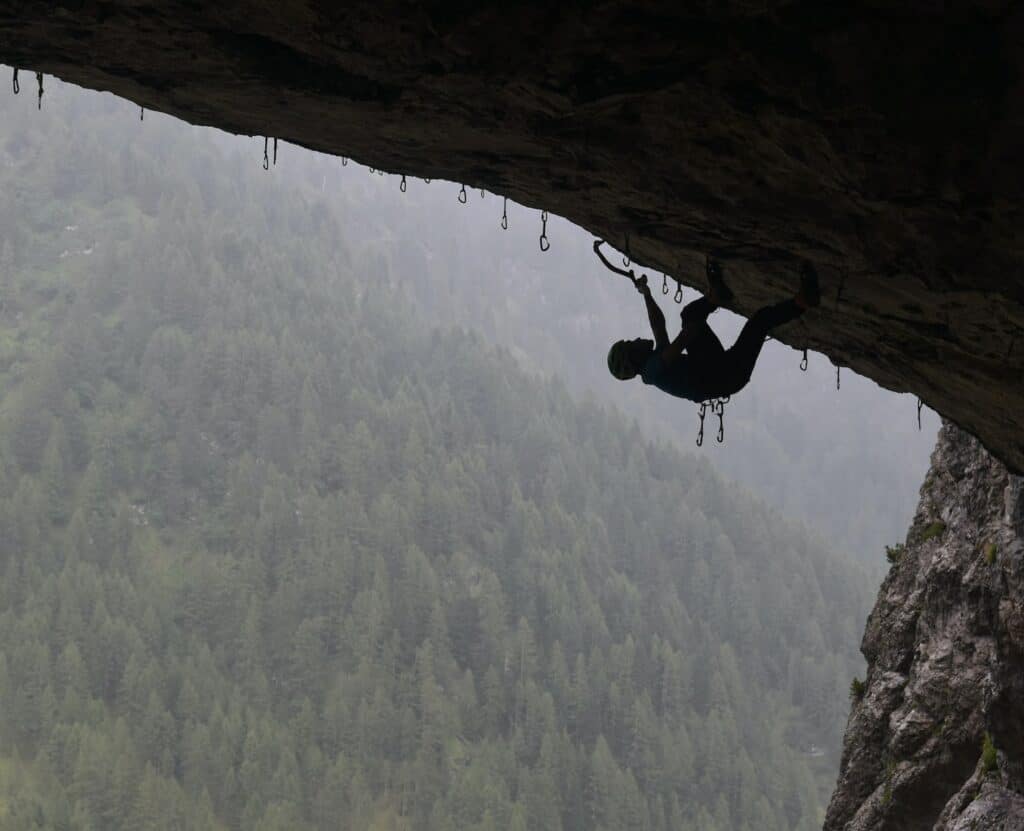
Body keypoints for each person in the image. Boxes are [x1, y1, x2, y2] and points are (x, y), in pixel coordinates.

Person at [606, 259, 820, 402]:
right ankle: (802, 301)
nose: (635, 340)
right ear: (633, 357)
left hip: (715, 369)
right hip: (726, 374)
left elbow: (658, 325)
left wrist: (646, 294)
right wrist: (696, 326)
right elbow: (682, 341)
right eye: (630, 344)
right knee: (760, 321)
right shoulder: (652, 370)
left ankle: (717, 295)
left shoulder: (652, 364)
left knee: (690, 315)